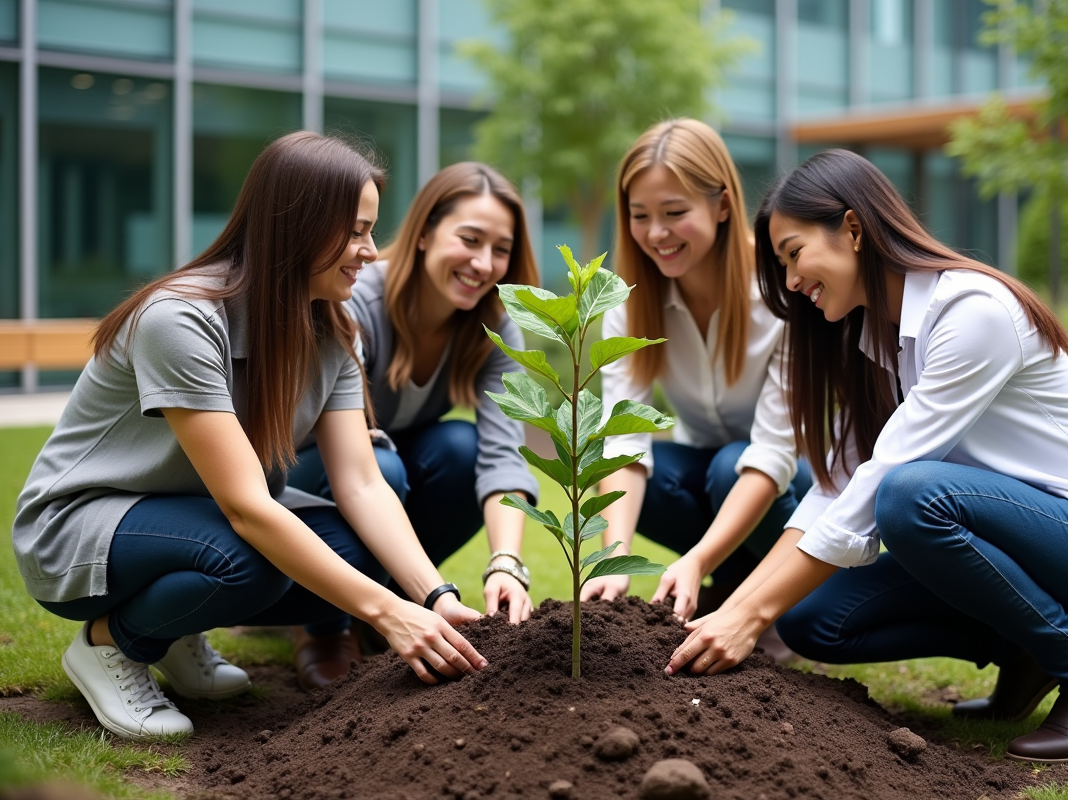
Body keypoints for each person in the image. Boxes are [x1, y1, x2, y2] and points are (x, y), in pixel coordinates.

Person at [665, 149, 1068, 764]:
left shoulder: (972, 313)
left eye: (794, 253)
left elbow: (883, 483)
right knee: (811, 621)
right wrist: (741, 608)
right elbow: (834, 490)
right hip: (1027, 547)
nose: (790, 280)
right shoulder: (872, 340)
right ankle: (1031, 648)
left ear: (853, 229)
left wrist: (749, 617)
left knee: (910, 496)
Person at [12, 132, 487, 740]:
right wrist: (386, 612)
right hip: (81, 527)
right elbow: (246, 507)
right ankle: (111, 645)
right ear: (296, 224)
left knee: (363, 558)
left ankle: (173, 630)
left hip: (196, 516)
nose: (372, 252)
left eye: (371, 229)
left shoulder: (335, 333)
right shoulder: (181, 320)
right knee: (249, 560)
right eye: (356, 231)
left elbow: (363, 482)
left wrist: (431, 595)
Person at [286, 162, 540, 690]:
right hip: (302, 472)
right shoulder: (355, 301)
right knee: (382, 465)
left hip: (379, 475)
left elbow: (503, 455)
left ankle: (393, 599)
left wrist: (507, 562)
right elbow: (350, 462)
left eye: (500, 249)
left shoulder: (495, 328)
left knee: (460, 448)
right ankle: (324, 626)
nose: (483, 263)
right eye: (469, 239)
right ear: (424, 233)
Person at [581, 118, 812, 636]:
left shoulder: (781, 291)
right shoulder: (630, 301)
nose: (656, 233)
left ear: (723, 206)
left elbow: (773, 453)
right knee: (642, 474)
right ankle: (730, 582)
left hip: (789, 478)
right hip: (705, 473)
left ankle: (765, 601)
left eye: (675, 213)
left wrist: (697, 559)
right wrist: (611, 562)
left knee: (733, 466)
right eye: (640, 216)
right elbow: (625, 440)